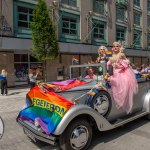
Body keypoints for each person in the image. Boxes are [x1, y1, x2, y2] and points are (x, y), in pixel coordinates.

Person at [107, 41, 138, 114]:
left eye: (117, 46)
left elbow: (126, 65)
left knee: (121, 87)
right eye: (114, 46)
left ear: (119, 47)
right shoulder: (111, 55)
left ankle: (120, 106)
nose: (115, 47)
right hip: (112, 73)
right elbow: (108, 65)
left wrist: (118, 66)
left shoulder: (121, 54)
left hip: (120, 74)